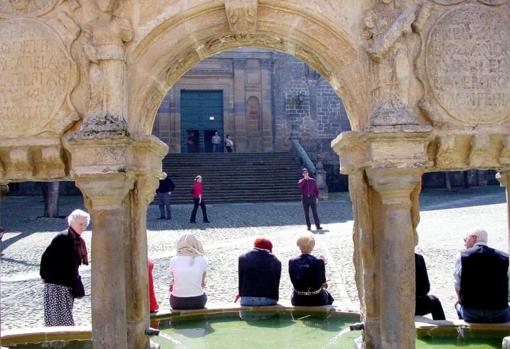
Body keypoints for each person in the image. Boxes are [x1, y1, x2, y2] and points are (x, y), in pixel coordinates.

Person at [39, 209, 90, 326]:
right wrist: (44, 276)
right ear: (72, 223)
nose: (83, 227)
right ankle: (59, 343)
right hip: (56, 284)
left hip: (67, 285)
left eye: (85, 224)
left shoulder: (76, 240)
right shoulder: (63, 238)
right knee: (58, 319)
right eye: (81, 224)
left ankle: (64, 342)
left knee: (64, 316)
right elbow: (46, 257)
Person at [454, 228, 510, 323]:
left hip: (471, 314)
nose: (464, 243)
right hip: (499, 314)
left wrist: (459, 299)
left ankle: (464, 334)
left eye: (465, 239)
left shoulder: (462, 256)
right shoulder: (504, 257)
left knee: (457, 304)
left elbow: (457, 285)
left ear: (474, 238)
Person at [289, 233, 333, 306]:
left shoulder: (292, 261)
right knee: (329, 297)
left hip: (298, 300)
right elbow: (323, 283)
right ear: (312, 247)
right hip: (318, 300)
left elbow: (293, 280)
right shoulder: (319, 261)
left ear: (299, 246)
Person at [238, 237, 281, 306]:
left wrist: (241, 293)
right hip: (269, 299)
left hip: (247, 299)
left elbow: (241, 279)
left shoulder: (243, 257)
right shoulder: (276, 260)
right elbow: (276, 283)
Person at [169, 234, 208, 310]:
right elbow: (202, 283)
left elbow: (174, 279)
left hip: (177, 302)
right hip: (198, 301)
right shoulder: (203, 260)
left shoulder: (173, 260)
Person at [415, 253, 445, 320]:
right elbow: (425, 288)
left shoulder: (389, 257)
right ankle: (441, 329)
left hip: (392, 304)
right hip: (414, 305)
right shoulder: (418, 258)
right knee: (435, 302)